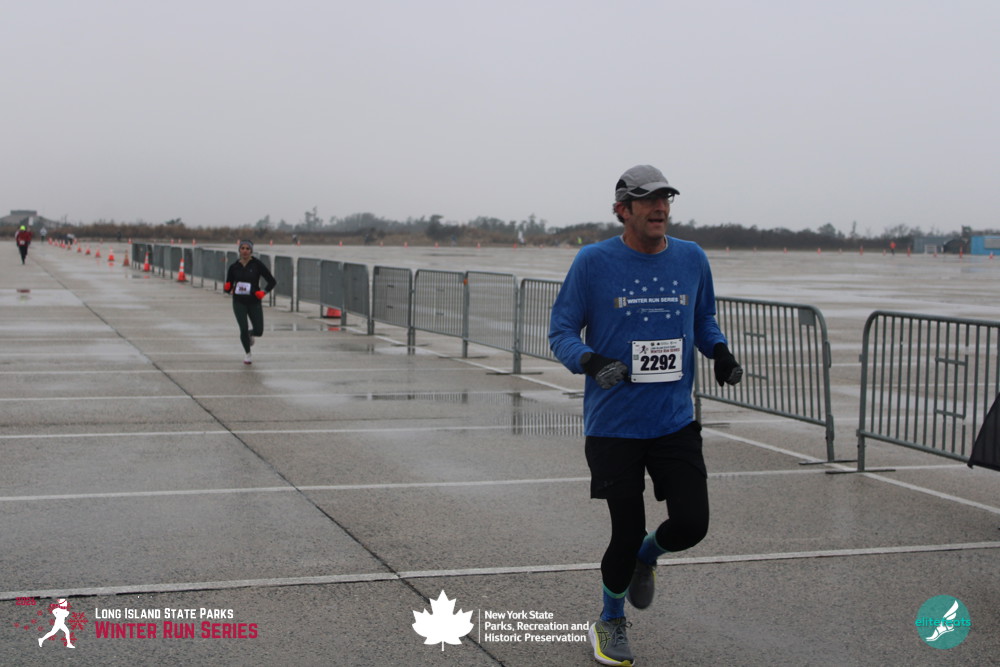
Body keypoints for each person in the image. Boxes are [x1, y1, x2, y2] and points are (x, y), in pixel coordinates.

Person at [549, 165, 743, 666]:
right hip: (614, 426)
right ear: (623, 210)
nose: (660, 207)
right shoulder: (593, 262)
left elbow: (703, 318)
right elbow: (561, 331)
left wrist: (719, 351)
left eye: (666, 199)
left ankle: (646, 557)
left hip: (673, 420)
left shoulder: (691, 257)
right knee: (625, 530)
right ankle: (610, 620)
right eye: (648, 200)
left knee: (693, 523)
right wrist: (590, 360)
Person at [224, 240, 277, 365]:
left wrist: (264, 292)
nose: (245, 251)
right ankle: (247, 354)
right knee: (243, 328)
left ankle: (249, 334)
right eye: (242, 248)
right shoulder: (234, 267)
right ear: (239, 250)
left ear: (251, 251)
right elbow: (228, 285)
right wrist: (227, 288)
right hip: (239, 301)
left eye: (247, 248)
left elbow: (272, 281)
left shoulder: (257, 264)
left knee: (259, 331)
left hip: (254, 301)